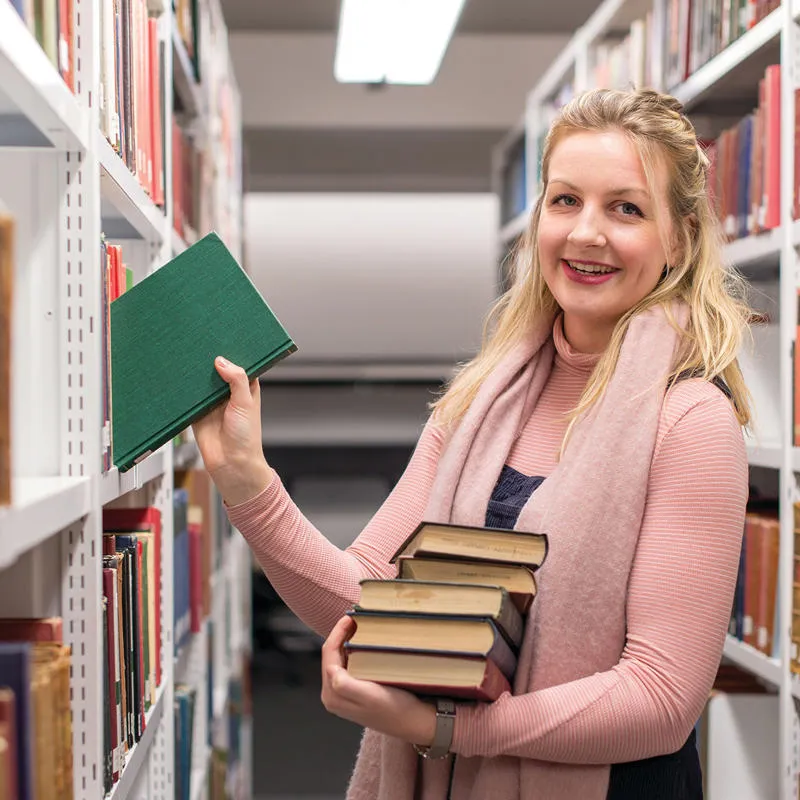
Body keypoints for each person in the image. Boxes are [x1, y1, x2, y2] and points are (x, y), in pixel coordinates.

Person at [193, 87, 751, 800]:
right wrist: (247, 481)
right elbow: (364, 602)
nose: (586, 233)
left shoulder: (691, 421)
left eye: (626, 209)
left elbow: (660, 699)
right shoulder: (479, 402)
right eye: (565, 201)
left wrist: (451, 729)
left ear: (679, 239)